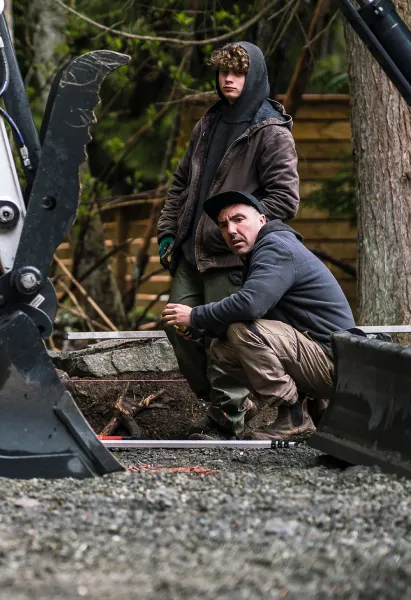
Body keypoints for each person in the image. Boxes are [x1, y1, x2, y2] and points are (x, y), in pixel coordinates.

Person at [157, 41, 300, 437]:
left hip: (232, 257)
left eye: (236, 73)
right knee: (179, 325)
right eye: (222, 72)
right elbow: (181, 184)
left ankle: (227, 418)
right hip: (189, 251)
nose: (228, 79)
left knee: (225, 333)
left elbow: (285, 199)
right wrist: (168, 231)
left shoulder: (271, 132)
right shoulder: (208, 123)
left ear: (252, 77)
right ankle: (234, 402)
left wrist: (238, 228)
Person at [162, 190, 355, 441]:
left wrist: (195, 315)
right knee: (222, 348)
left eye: (239, 219)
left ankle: (294, 418)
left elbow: (250, 306)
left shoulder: (276, 247)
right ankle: (315, 411)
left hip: (337, 365)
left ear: (262, 220)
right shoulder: (260, 253)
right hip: (320, 358)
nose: (230, 230)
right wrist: (198, 329)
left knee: (242, 331)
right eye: (223, 224)